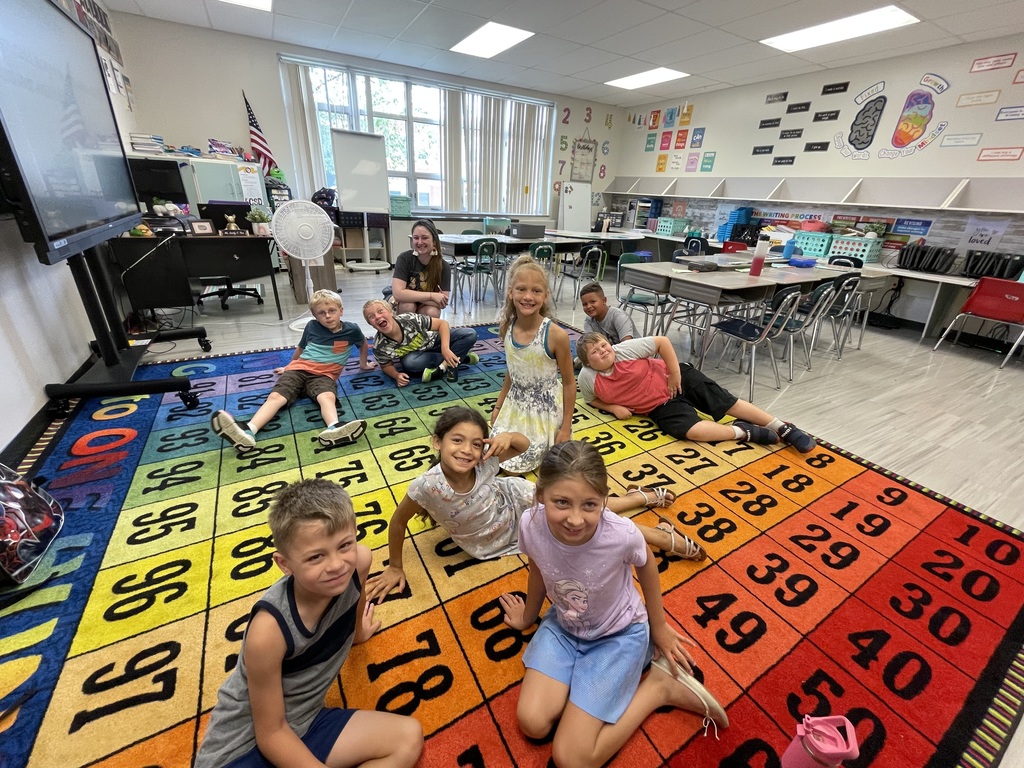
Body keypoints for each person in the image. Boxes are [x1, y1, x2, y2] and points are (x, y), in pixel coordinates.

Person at [499, 441, 729, 768]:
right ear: (540, 495)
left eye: (590, 505)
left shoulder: (621, 533)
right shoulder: (530, 523)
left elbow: (647, 564)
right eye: (561, 502)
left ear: (605, 500)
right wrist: (527, 616)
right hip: (564, 626)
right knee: (533, 724)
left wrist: (659, 627)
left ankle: (660, 688)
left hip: (618, 635)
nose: (575, 519)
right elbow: (537, 566)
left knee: (571, 759)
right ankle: (582, 688)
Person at [364, 407, 703, 603]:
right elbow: (397, 523)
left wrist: (509, 438)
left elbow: (524, 447)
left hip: (515, 500)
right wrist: (395, 566)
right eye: (456, 440)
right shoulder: (426, 486)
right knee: (577, 520)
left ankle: (654, 530)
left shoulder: (485, 464)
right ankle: (642, 500)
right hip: (493, 540)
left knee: (584, 516)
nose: (466, 450)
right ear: (437, 442)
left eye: (474, 443)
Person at [194, 479, 423, 768]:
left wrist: (358, 632)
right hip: (244, 748)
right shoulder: (268, 631)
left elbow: (354, 597)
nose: (337, 565)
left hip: (307, 721)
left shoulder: (359, 562)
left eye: (344, 545)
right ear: (285, 564)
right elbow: (271, 734)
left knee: (408, 737)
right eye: (316, 557)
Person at [576, 333, 817, 452]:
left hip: (675, 379)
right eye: (595, 352)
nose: (603, 351)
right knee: (688, 431)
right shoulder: (588, 378)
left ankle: (782, 427)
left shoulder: (624, 350)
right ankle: (743, 431)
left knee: (724, 401)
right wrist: (612, 407)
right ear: (587, 362)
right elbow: (591, 400)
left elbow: (662, 342)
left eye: (603, 345)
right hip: (658, 406)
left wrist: (674, 374)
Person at [211, 290, 374, 452]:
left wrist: (363, 364)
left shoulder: (352, 330)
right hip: (299, 369)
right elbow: (301, 348)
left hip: (325, 375)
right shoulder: (312, 326)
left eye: (332, 311)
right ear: (314, 315)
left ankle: (334, 428)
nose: (328, 316)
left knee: (327, 396)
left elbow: (363, 345)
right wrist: (289, 366)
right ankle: (248, 431)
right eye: (321, 313)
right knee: (276, 396)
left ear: (341, 311)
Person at [490, 255, 575, 474]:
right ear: (510, 292)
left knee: (514, 466)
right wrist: (498, 406)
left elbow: (568, 383)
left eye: (536, 291)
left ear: (546, 296)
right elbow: (513, 370)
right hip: (514, 406)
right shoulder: (507, 326)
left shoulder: (556, 335)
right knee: (491, 453)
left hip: (544, 413)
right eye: (521, 289)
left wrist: (565, 428)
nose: (528, 297)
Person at [362, 299, 478, 385]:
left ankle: (442, 368)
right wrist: (396, 375)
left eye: (380, 311)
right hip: (417, 357)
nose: (377, 317)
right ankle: (459, 357)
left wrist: (445, 348)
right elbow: (386, 365)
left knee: (470, 334)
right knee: (410, 364)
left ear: (391, 312)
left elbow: (442, 324)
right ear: (370, 324)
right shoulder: (379, 346)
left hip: (434, 340)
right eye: (371, 316)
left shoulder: (408, 319)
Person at [391, 219, 451, 317]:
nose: (419, 242)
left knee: (432, 311)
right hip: (402, 303)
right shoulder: (404, 258)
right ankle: (405, 332)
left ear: (434, 241)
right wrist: (432, 296)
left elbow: (442, 302)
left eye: (424, 238)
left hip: (425, 305)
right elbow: (397, 294)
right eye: (416, 238)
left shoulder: (444, 266)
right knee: (408, 306)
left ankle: (424, 332)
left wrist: (408, 294)